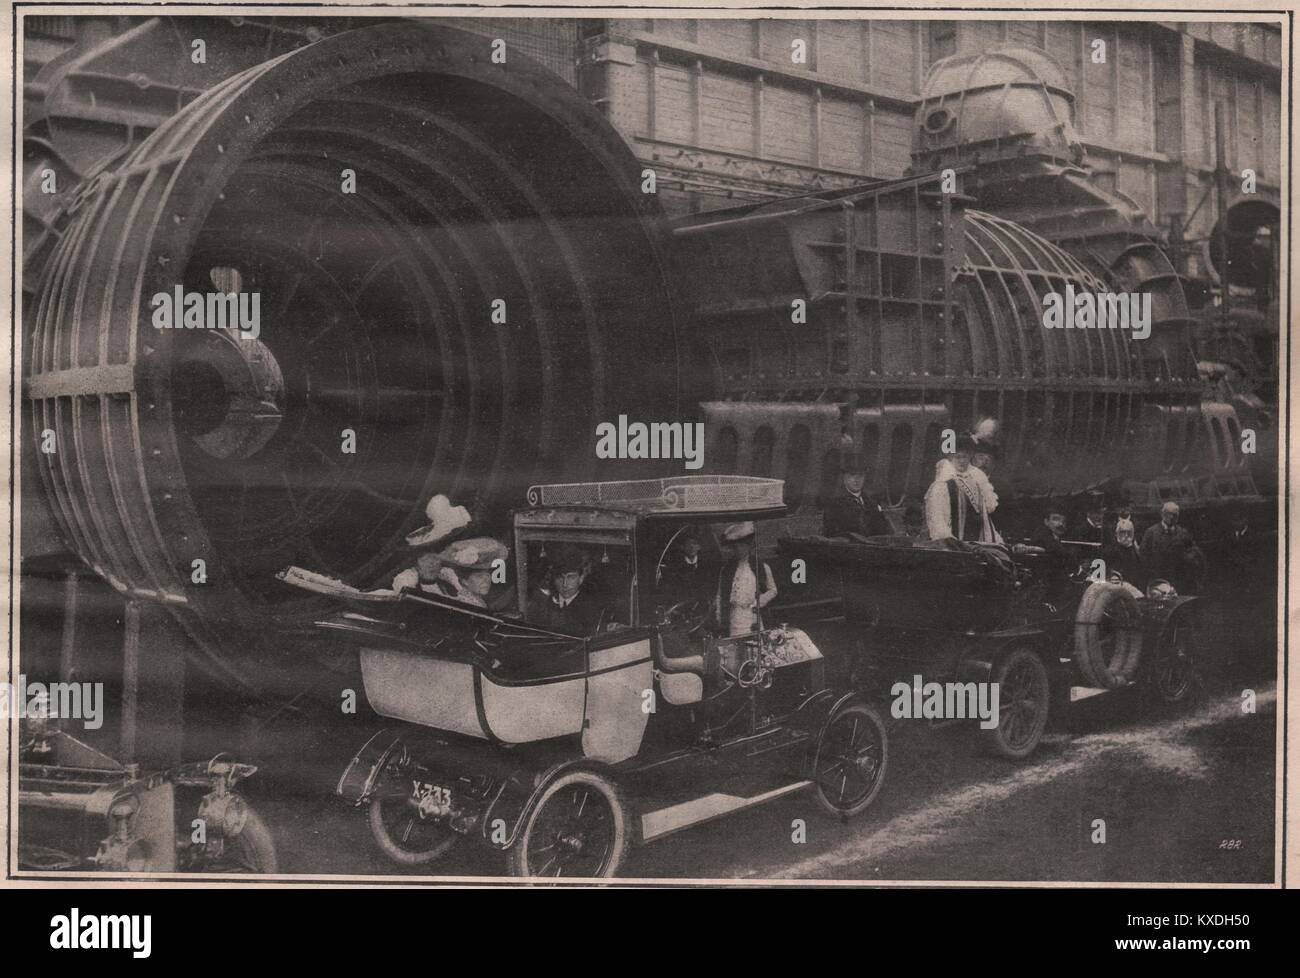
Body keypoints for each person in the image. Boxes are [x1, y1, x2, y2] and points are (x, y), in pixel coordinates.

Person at [391, 537, 507, 607]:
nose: (431, 564)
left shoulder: (449, 582)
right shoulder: (407, 580)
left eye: (435, 558)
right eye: (425, 559)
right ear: (416, 563)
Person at [924, 434, 998, 543]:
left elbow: (986, 515)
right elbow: (938, 519)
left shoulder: (978, 479)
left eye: (965, 457)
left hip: (977, 541)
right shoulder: (943, 484)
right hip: (955, 544)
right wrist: (949, 541)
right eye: (958, 457)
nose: (962, 461)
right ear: (950, 458)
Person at [526, 544, 608, 635]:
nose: (565, 585)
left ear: (581, 579)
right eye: (560, 578)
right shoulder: (542, 603)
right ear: (554, 578)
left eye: (571, 577)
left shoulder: (592, 607)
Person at [714, 522, 777, 637]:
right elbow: (720, 596)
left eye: (742, 546)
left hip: (753, 615)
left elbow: (773, 590)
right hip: (735, 617)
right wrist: (719, 618)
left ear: (748, 546)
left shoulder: (760, 566)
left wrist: (760, 601)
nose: (738, 550)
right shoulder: (726, 570)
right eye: (735, 547)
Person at [1140, 501, 1203, 593]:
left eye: (1175, 515)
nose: (1172, 517)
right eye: (1169, 514)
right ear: (1162, 514)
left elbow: (1193, 550)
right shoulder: (1151, 532)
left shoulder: (1183, 533)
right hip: (1158, 578)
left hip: (1178, 578)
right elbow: (1143, 554)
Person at [822, 454, 889, 539]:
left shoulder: (872, 502)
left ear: (864, 477)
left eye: (860, 475)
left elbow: (883, 529)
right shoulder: (834, 504)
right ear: (844, 478)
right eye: (852, 475)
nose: (857, 480)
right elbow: (832, 534)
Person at [660, 528, 711, 597]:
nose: (691, 547)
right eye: (688, 544)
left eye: (694, 544)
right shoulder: (675, 566)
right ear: (683, 547)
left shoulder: (706, 566)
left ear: (699, 547)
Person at [1102, 518, 1144, 588]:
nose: (1126, 535)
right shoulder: (1109, 551)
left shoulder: (1137, 551)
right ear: (1116, 534)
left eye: (1129, 532)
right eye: (1122, 532)